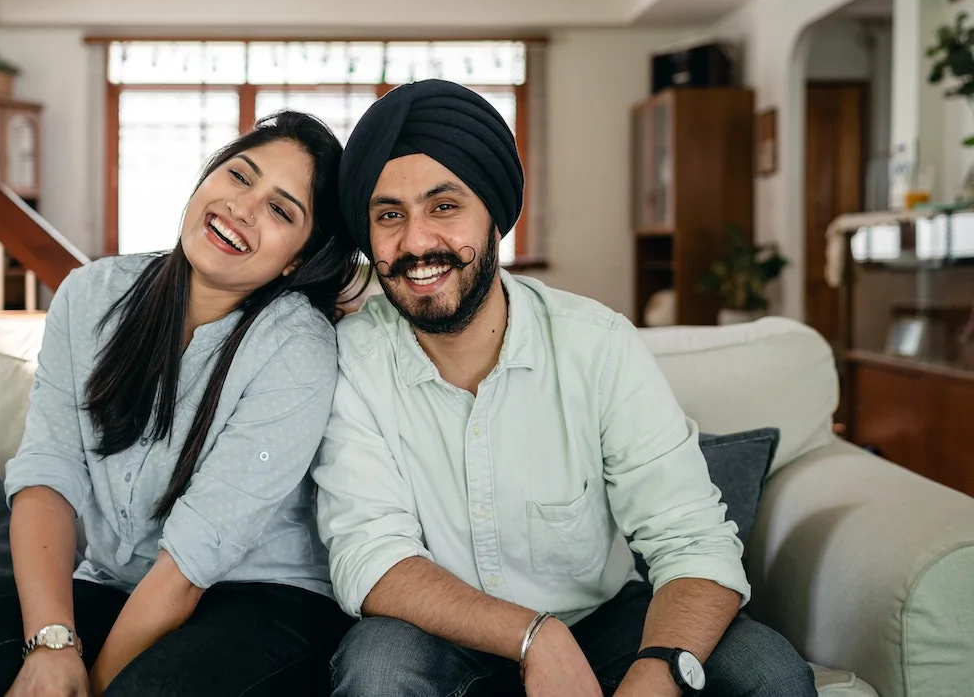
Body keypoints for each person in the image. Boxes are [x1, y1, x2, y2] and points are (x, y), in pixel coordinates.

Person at [312, 79, 817, 697]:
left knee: (769, 673)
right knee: (378, 671)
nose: (416, 243)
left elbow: (691, 538)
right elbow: (370, 558)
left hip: (599, 619)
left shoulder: (597, 345)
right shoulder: (353, 360)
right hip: (434, 631)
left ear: (495, 215)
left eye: (444, 207)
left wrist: (658, 672)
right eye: (389, 215)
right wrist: (533, 635)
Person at [0, 110, 364, 697]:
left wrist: (90, 686)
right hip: (114, 583)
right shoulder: (93, 295)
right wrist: (52, 644)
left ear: (297, 260)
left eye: (282, 210)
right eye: (239, 176)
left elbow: (191, 560)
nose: (242, 207)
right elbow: (47, 475)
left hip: (261, 596)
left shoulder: (297, 347)